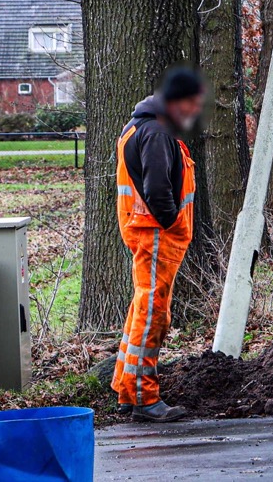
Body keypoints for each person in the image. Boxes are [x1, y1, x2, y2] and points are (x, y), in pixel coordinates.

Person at [112, 67, 205, 422]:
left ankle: (125, 386)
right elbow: (158, 192)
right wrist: (172, 224)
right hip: (155, 235)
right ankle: (144, 398)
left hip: (147, 233)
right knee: (153, 316)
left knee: (142, 310)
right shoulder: (155, 132)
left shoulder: (141, 126)